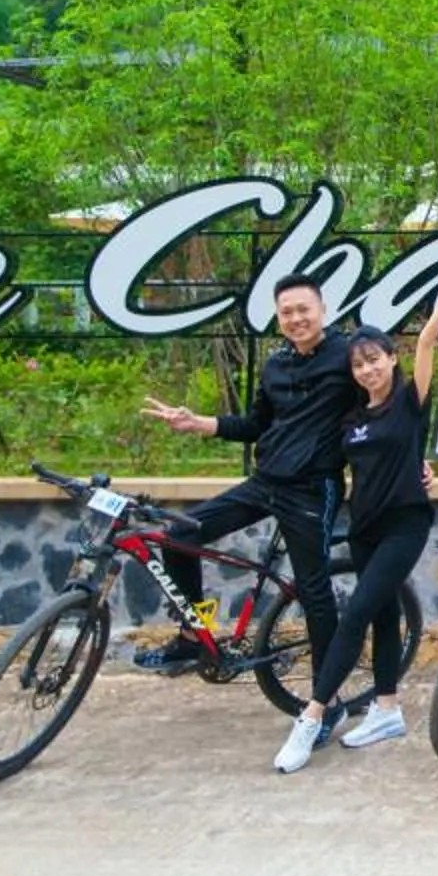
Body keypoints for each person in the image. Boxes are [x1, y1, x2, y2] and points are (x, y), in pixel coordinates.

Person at [274, 254, 438, 773]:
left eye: (375, 359)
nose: (367, 369)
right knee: (383, 616)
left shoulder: (409, 403)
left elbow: (428, 342)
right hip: (363, 528)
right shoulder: (350, 419)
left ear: (390, 359)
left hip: (404, 525)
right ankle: (387, 709)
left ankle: (312, 717)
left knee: (355, 613)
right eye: (358, 364)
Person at [141, 273, 358, 677]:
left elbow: (385, 404)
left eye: (303, 309)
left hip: (313, 488)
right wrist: (199, 423)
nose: (296, 318)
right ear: (278, 318)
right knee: (179, 537)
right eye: (286, 312)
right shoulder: (276, 364)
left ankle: (325, 698)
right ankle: (193, 638)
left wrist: (409, 459)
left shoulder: (348, 356)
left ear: (323, 310)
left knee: (313, 591)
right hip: (265, 483)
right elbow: (257, 424)